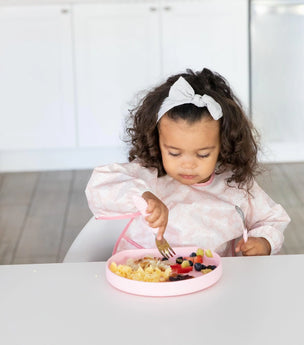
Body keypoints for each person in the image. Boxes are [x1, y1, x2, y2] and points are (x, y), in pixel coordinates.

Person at [85, 68, 290, 256]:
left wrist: (265, 241)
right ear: (157, 142)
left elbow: (272, 219)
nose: (188, 165)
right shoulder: (150, 174)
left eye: (202, 155)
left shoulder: (235, 184)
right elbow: (100, 185)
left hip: (211, 279)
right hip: (147, 276)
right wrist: (144, 196)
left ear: (223, 146)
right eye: (174, 153)